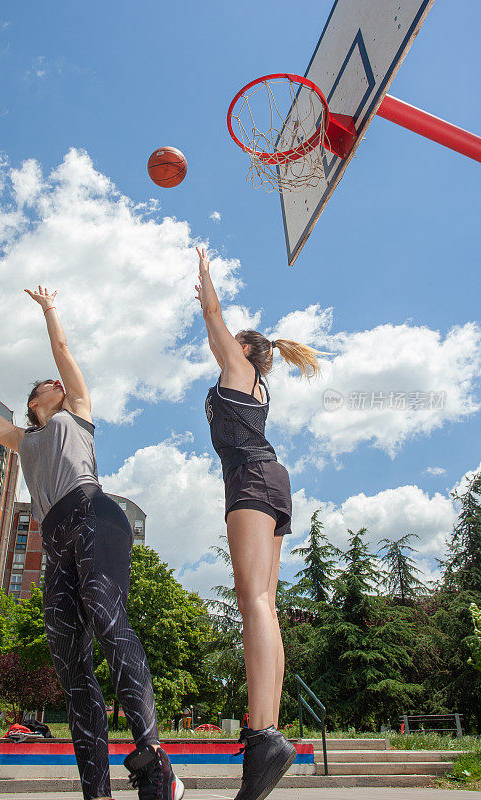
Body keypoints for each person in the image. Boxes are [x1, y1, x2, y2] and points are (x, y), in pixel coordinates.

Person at [0, 287, 184, 800]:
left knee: (109, 621)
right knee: (71, 665)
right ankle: (97, 792)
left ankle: (153, 761)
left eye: (58, 381)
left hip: (93, 516)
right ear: (35, 402)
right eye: (47, 385)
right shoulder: (24, 439)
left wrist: (49, 310)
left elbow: (64, 353)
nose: (58, 382)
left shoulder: (79, 412)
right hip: (54, 539)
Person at [195, 248, 323, 800]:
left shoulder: (241, 367)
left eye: (232, 343)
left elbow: (213, 321)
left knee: (254, 601)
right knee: (264, 603)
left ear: (246, 351)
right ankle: (265, 732)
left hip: (251, 477)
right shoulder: (255, 381)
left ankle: (265, 733)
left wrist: (204, 280)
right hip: (269, 476)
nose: (223, 348)